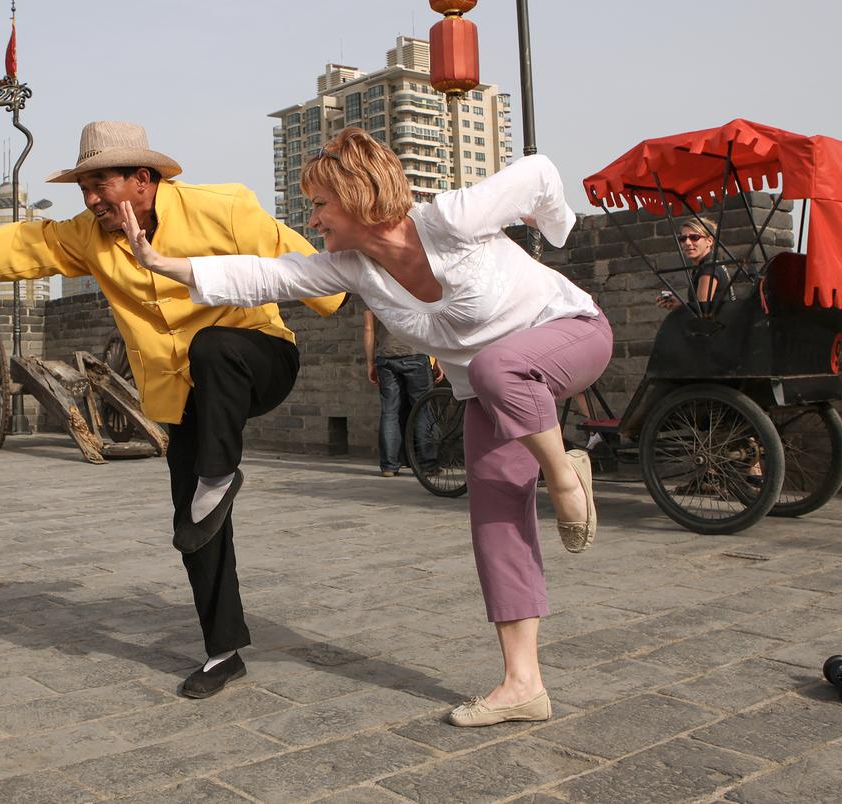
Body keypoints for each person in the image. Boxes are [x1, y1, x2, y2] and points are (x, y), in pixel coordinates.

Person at [120, 128, 611, 728]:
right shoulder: (355, 269)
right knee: (496, 519)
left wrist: (556, 227)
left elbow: (539, 172)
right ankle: (523, 684)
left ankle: (564, 477)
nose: (312, 218)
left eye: (320, 204)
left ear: (358, 196)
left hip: (571, 334)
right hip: (491, 393)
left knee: (494, 366)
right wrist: (158, 262)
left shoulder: (451, 220)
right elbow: (267, 276)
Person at [0, 121, 344, 699]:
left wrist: (357, 294)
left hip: (256, 358)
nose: (90, 199)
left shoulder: (224, 207)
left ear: (142, 179)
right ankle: (223, 650)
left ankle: (218, 472)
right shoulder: (91, 235)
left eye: (99, 184)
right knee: (194, 525)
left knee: (213, 346)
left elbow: (307, 268)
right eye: (84, 188)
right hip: (184, 396)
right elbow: (34, 244)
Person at [365, 309, 438, 477]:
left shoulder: (372, 293)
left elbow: (369, 329)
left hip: (386, 356)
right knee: (423, 410)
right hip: (416, 354)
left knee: (389, 412)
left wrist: (370, 363)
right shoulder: (416, 292)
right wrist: (438, 358)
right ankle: (428, 465)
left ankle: (389, 466)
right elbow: (430, 322)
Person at [655, 216, 731, 313]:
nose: (687, 243)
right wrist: (680, 305)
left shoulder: (708, 269)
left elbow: (701, 312)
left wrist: (683, 308)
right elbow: (698, 308)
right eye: (683, 238)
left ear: (709, 241)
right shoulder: (706, 265)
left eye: (694, 237)